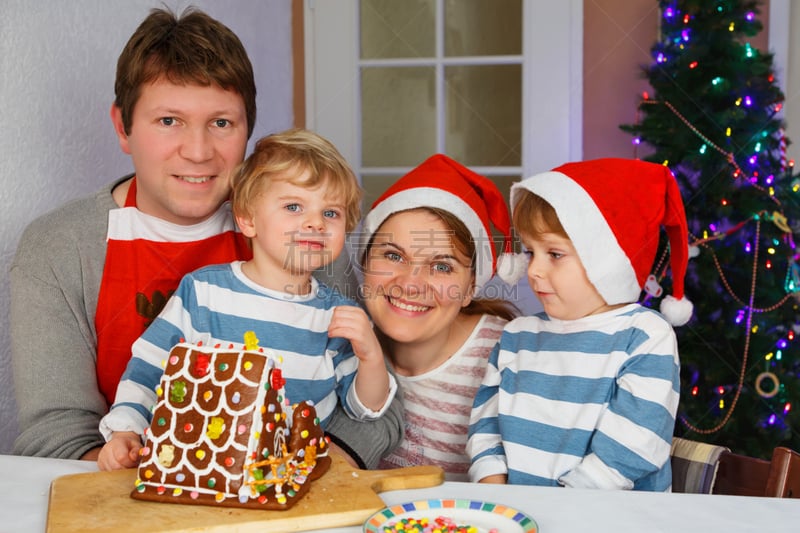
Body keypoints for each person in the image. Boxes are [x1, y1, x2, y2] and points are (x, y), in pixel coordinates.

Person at [9, 7, 402, 469]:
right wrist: (178, 482)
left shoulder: (306, 235)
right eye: (169, 121)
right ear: (123, 127)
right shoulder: (58, 248)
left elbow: (380, 408)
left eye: (221, 123)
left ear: (247, 131)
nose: (197, 152)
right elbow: (53, 434)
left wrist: (291, 478)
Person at [97, 128, 397, 471]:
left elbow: (366, 409)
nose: (315, 223)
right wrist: (124, 431)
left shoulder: (338, 316)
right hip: (207, 476)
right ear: (248, 220)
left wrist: (370, 354)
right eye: (294, 206)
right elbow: (148, 368)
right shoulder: (203, 293)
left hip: (296, 486)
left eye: (331, 213)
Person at [468, 158, 692, 491]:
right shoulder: (517, 336)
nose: (534, 270)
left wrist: (564, 509)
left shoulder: (644, 336)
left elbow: (633, 446)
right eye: (530, 252)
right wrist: (495, 491)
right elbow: (486, 424)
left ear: (604, 260)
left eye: (554, 254)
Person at [354, 154, 521, 481]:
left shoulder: (511, 359)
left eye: (442, 266)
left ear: (471, 287)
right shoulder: (343, 345)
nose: (410, 284)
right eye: (393, 255)